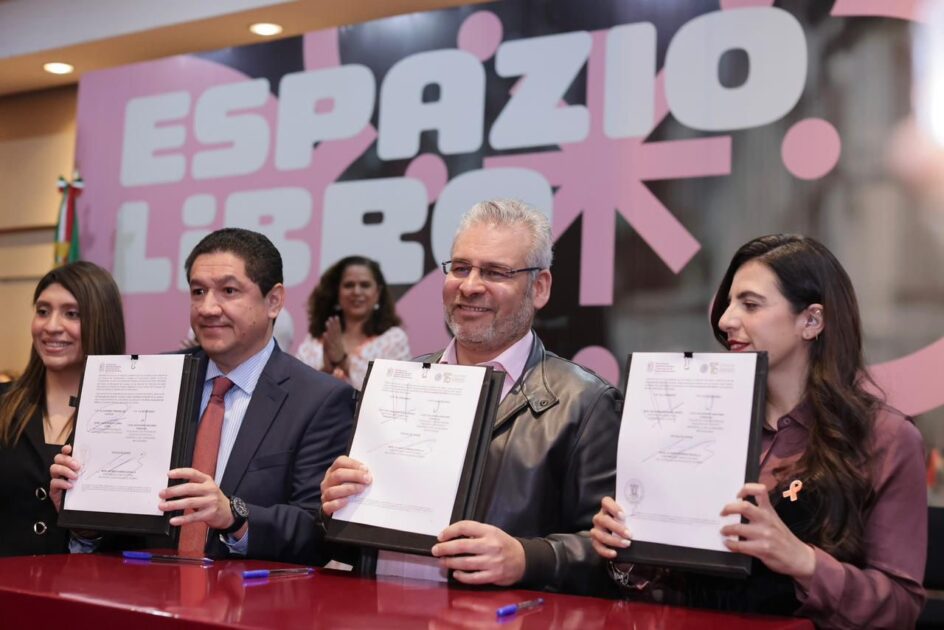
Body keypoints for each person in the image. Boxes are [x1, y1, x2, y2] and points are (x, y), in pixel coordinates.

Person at [590, 234, 927, 627]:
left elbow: (900, 608)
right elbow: (671, 588)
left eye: (750, 305)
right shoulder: (699, 421)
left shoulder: (885, 438)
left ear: (811, 321)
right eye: (729, 303)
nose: (725, 320)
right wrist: (631, 551)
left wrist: (802, 561)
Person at [319, 199, 622, 595]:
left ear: (540, 287)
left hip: (504, 617)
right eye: (461, 268)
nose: (470, 286)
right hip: (379, 608)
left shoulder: (586, 402)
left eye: (495, 272)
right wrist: (337, 506)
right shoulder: (398, 383)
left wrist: (527, 558)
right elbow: (345, 543)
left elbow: (613, 553)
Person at [52, 228, 355, 563]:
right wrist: (84, 516)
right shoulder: (151, 380)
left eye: (229, 291)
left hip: (249, 593)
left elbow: (316, 530)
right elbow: (124, 525)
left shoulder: (319, 400)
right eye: (198, 292)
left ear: (274, 301)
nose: (208, 308)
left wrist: (234, 516)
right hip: (142, 585)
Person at [0, 261, 125, 556]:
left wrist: (86, 531)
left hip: (87, 583)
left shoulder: (129, 418)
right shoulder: (4, 404)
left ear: (101, 322)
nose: (51, 326)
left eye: (72, 314)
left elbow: (138, 541)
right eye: (43, 311)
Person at [296, 256, 410, 389]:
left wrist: (343, 362)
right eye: (349, 285)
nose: (356, 292)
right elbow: (296, 390)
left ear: (378, 292)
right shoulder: (314, 341)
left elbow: (394, 393)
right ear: (337, 292)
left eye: (365, 285)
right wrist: (326, 370)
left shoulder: (393, 340)